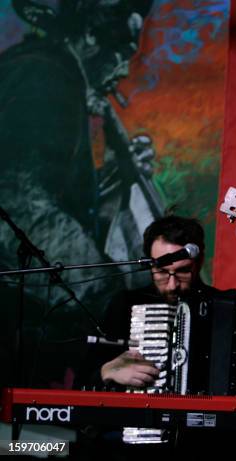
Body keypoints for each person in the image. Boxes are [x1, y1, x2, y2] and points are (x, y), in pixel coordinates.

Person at [0, 0, 158, 388]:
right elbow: (22, 204)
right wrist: (108, 295)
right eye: (120, 52)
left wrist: (113, 179)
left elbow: (50, 191)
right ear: (89, 36)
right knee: (30, 445)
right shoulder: (46, 76)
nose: (123, 70)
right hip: (14, 319)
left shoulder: (48, 73)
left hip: (24, 318)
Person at [75, 215, 236, 460]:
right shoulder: (126, 306)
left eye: (183, 271)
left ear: (199, 262)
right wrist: (107, 372)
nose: (172, 284)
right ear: (149, 264)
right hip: (143, 450)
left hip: (217, 448)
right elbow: (79, 389)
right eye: (161, 272)